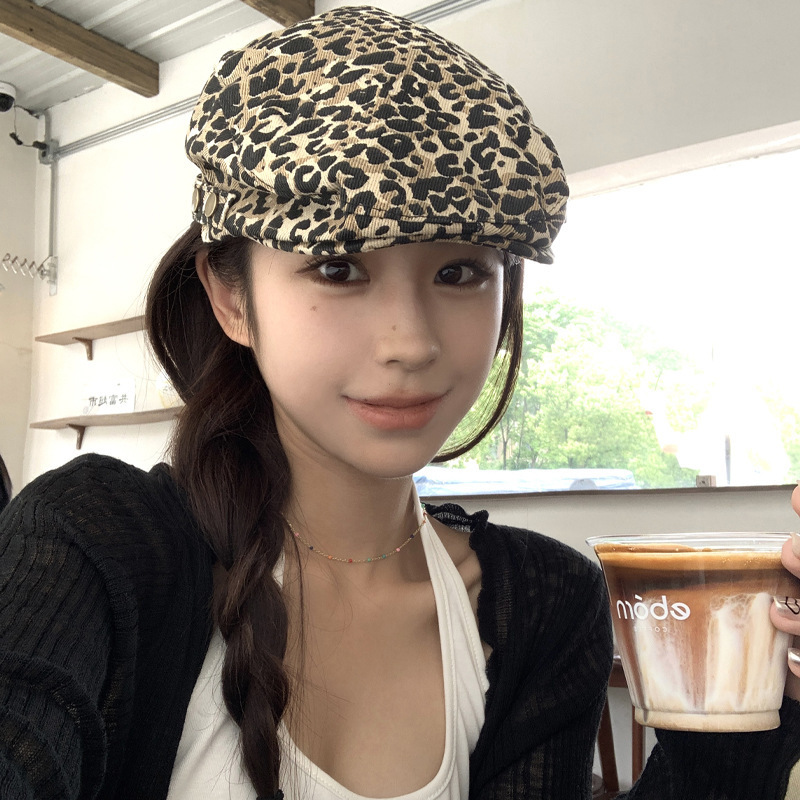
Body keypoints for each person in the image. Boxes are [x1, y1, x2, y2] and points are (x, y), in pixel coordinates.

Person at [0, 7, 799, 800]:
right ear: (232, 298)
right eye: (338, 268)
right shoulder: (91, 544)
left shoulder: (544, 603)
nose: (411, 343)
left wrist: (770, 695)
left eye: (460, 273)